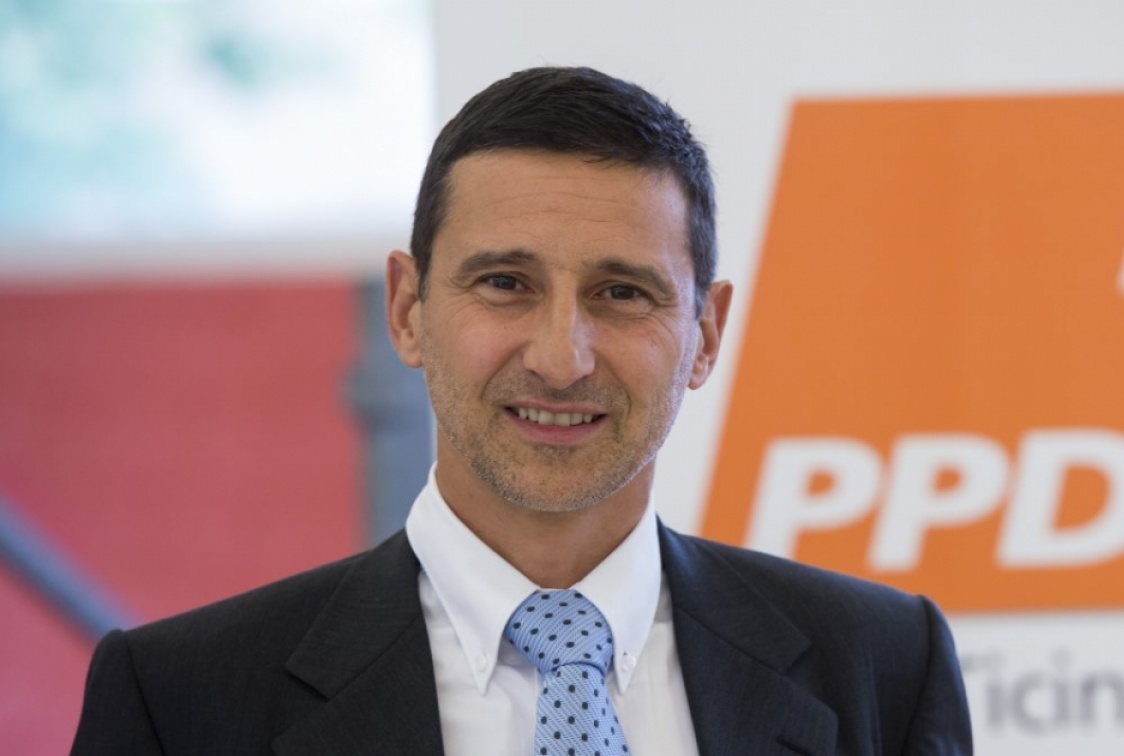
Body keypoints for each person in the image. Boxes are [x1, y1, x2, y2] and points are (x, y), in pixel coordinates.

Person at [70, 66, 973, 755]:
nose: (559, 357)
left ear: (704, 335)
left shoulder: (884, 667)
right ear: (408, 310)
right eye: (506, 283)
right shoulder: (179, 702)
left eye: (622, 292)